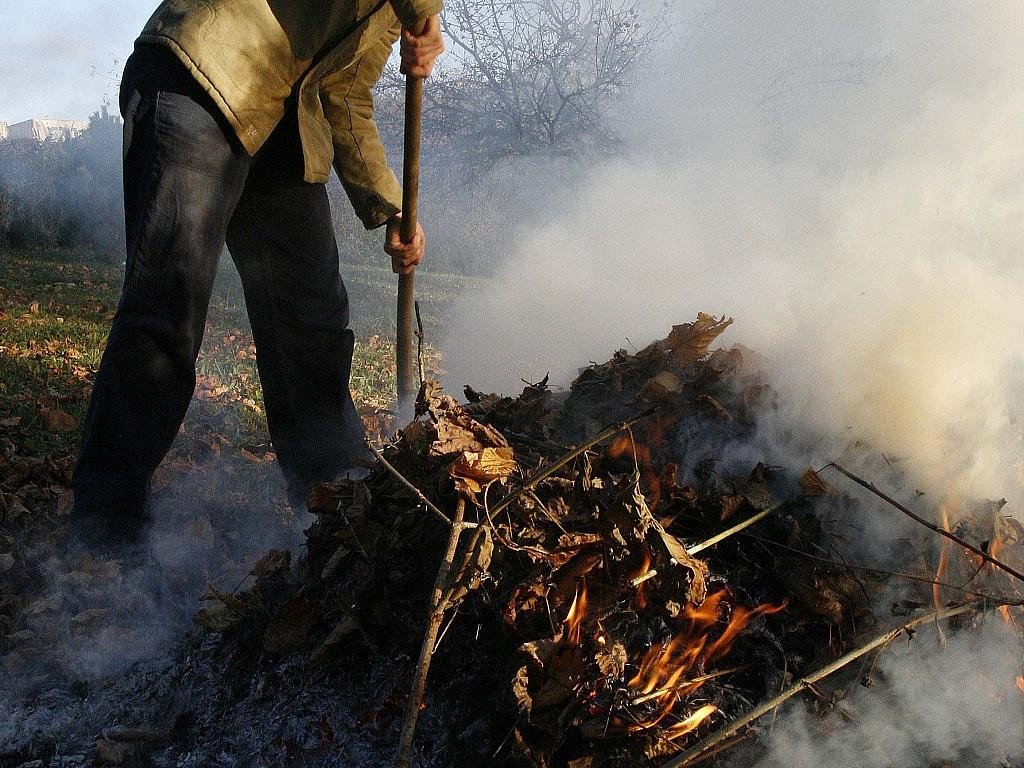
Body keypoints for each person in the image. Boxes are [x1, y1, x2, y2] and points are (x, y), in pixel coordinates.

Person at [70, 0, 445, 550]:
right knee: (167, 307)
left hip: (283, 122)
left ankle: (335, 510)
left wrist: (391, 206)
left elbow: (344, 94)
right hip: (204, 74)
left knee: (310, 320)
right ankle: (103, 527)